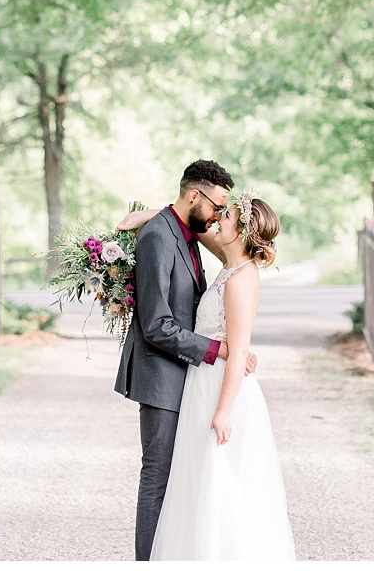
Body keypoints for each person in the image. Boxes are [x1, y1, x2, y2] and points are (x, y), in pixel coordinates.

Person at [113, 160, 258, 562]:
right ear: (195, 195)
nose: (216, 216)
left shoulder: (186, 232)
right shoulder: (159, 238)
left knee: (184, 477)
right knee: (157, 477)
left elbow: (233, 254)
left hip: (187, 375)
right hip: (160, 376)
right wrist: (219, 351)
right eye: (216, 205)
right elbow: (157, 325)